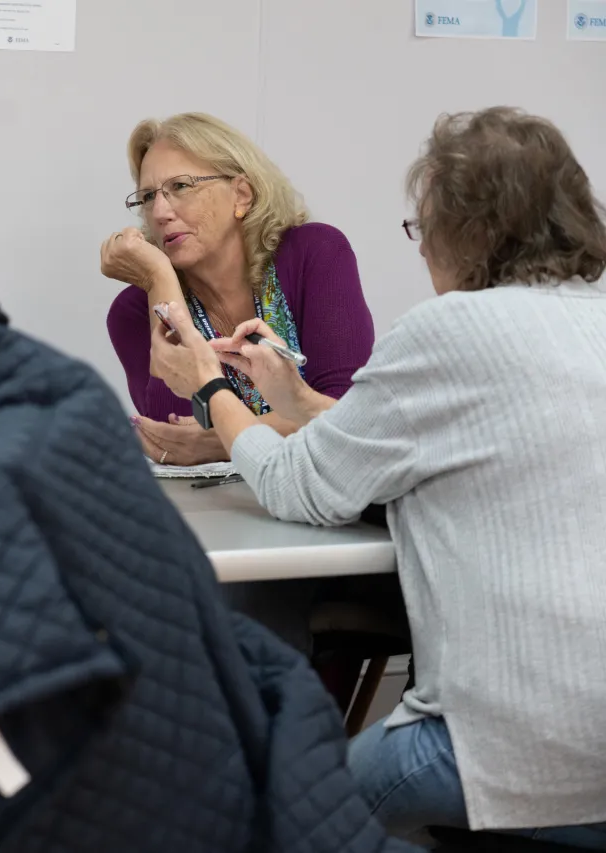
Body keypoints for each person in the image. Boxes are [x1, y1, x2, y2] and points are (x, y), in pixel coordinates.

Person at [145, 107, 606, 845]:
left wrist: (210, 385)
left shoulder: (446, 326)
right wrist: (296, 399)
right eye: (148, 196)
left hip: (518, 753)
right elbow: (408, 429)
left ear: (466, 230)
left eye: (422, 231)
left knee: (280, 807)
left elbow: (300, 483)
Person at [100, 112, 374, 469]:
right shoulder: (135, 312)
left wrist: (215, 442)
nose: (160, 212)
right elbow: (172, 435)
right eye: (149, 196)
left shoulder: (315, 253)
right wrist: (160, 280)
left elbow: (349, 413)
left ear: (241, 195)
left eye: (180, 186)